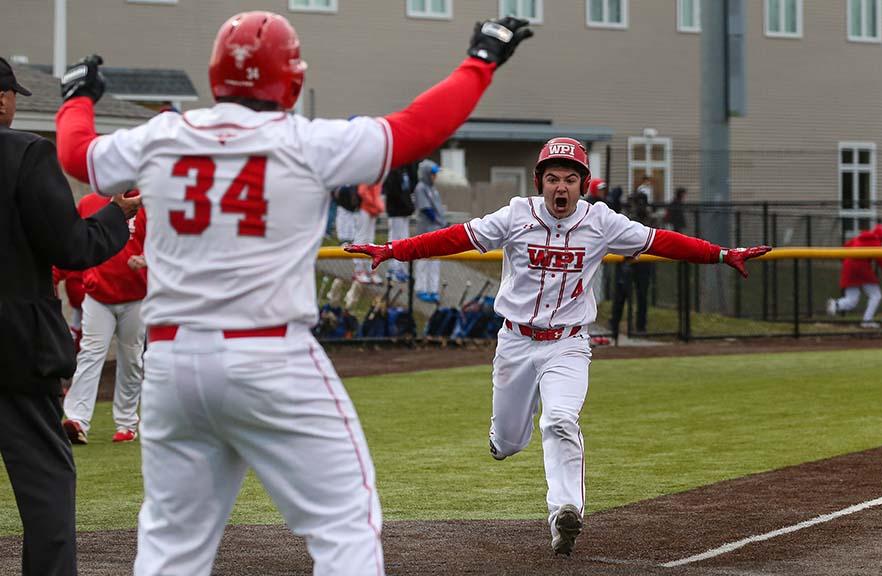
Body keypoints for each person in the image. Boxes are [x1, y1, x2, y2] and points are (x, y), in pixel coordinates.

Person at [55, 12, 531, 575]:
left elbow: (76, 153)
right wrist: (481, 61)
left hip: (173, 360)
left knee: (171, 546)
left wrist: (77, 97)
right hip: (269, 354)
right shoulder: (305, 141)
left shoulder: (163, 135)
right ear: (292, 77)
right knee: (344, 527)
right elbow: (417, 129)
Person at [346, 137, 769, 556]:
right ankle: (505, 435)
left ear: (582, 184)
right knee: (508, 443)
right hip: (515, 342)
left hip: (567, 344)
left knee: (561, 420)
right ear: (540, 183)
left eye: (569, 179)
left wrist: (720, 254)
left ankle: (565, 512)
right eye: (552, 179)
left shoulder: (600, 221)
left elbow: (659, 240)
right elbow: (457, 237)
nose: (560, 187)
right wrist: (394, 249)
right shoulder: (516, 215)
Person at [0, 56, 138, 576]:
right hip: (15, 350)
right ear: (1, 99)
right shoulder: (26, 153)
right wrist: (115, 216)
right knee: (46, 485)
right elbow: (72, 246)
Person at [59, 193, 147, 445]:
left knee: (131, 358)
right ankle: (77, 420)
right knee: (89, 353)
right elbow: (73, 241)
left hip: (136, 296)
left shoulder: (145, 201)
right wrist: (55, 275)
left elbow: (162, 243)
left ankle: (127, 422)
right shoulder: (88, 203)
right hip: (97, 295)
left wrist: (146, 259)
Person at [826, 224, 882, 328]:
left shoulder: (857, 238)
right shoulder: (876, 243)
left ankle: (835, 304)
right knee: (876, 295)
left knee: (852, 299)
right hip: (862, 269)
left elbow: (844, 249)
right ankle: (867, 321)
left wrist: (847, 263)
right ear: (881, 237)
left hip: (848, 268)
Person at [609, 187, 655, 335]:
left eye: (639, 203)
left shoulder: (649, 218)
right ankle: (614, 325)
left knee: (642, 294)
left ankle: (641, 326)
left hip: (643, 263)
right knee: (621, 293)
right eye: (635, 203)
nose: (637, 206)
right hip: (626, 261)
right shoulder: (626, 217)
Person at [414, 159, 446, 303]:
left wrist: (441, 223)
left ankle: (433, 289)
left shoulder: (433, 189)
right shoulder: (421, 188)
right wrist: (438, 220)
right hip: (425, 230)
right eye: (433, 174)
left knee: (435, 262)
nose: (435, 176)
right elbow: (425, 208)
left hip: (436, 230)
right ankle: (421, 289)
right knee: (423, 261)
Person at [383, 164, 418, 283]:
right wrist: (406, 204)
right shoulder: (393, 171)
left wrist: (408, 206)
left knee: (403, 240)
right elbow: (393, 191)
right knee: (394, 239)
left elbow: (410, 187)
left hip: (404, 212)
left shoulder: (405, 170)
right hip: (395, 212)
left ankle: (401, 269)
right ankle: (393, 269)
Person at [352, 183, 385, 284]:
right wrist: (375, 204)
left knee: (370, 239)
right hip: (365, 208)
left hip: (373, 209)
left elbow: (377, 194)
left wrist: (378, 206)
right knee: (361, 238)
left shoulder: (379, 178)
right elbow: (362, 191)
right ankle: (358, 270)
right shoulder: (368, 177)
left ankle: (370, 269)